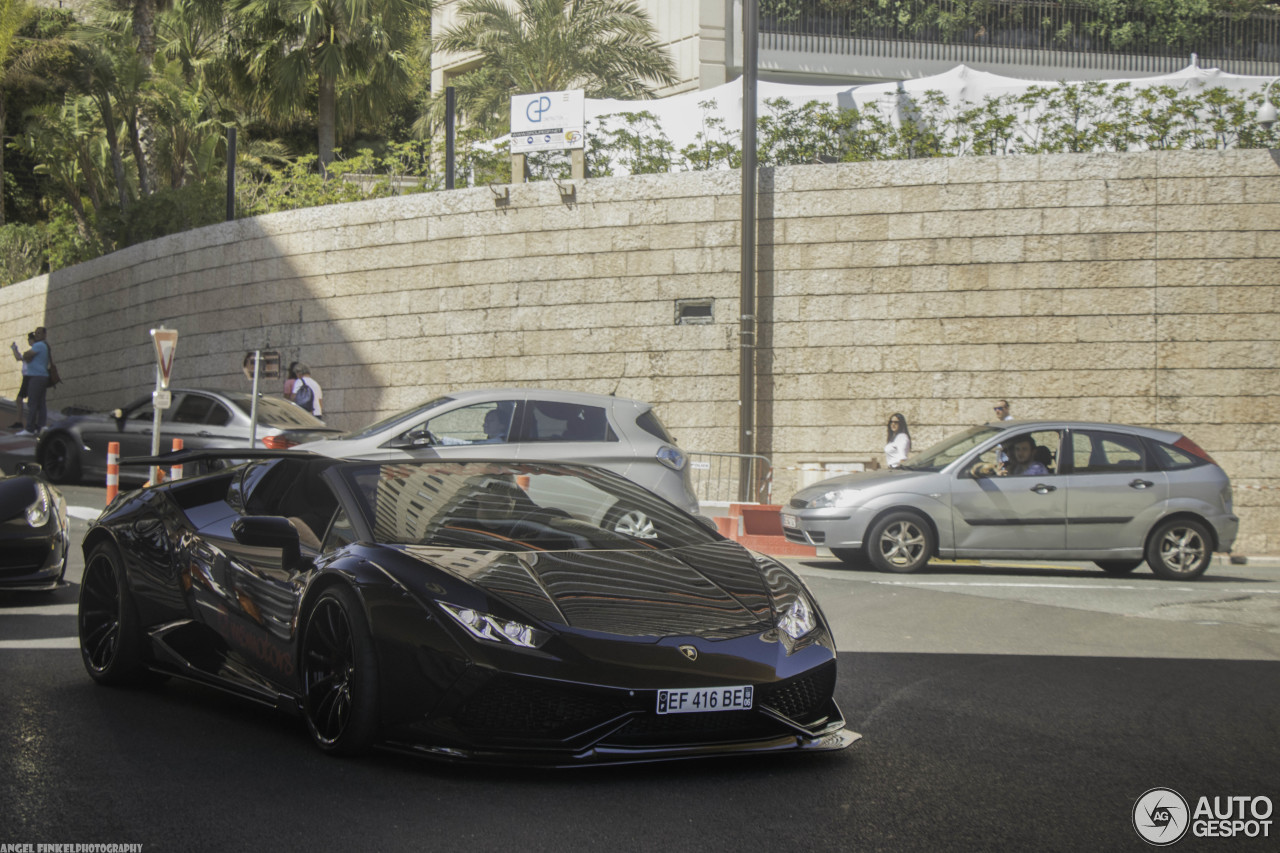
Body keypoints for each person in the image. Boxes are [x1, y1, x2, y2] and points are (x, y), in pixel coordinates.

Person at [10, 332, 33, 428]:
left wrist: (15, 349)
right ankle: (20, 421)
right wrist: (15, 349)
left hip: (30, 377)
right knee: (20, 400)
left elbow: (20, 358)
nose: (28, 341)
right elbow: (19, 358)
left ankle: (30, 423)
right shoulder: (31, 351)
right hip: (27, 377)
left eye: (30, 339)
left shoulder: (34, 351)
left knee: (23, 400)